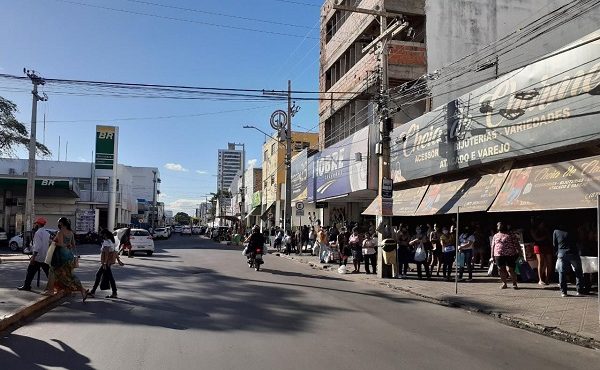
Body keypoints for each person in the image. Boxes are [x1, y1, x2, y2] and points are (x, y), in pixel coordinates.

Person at [51, 217, 88, 302]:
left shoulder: (60, 232)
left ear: (62, 223)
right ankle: (82, 290)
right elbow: (73, 244)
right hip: (69, 255)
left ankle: (82, 290)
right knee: (69, 275)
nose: (58, 223)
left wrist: (53, 242)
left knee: (61, 274)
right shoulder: (71, 233)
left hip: (61, 256)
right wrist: (69, 245)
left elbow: (60, 244)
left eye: (59, 222)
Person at [18, 217, 51, 291]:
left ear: (38, 224)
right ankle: (55, 285)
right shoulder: (47, 233)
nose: (35, 225)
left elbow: (38, 246)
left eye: (36, 223)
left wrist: (33, 257)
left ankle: (26, 286)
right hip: (45, 256)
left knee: (30, 271)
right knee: (48, 273)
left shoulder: (38, 233)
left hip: (38, 257)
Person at [88, 229, 122, 299]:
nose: (101, 236)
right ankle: (114, 292)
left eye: (102, 234)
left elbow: (106, 253)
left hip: (106, 262)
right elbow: (115, 252)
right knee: (109, 277)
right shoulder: (111, 241)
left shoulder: (106, 242)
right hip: (108, 262)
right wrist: (118, 260)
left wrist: (104, 263)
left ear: (105, 235)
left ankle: (93, 292)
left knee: (99, 275)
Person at [553, 224, 584, 297]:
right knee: (578, 271)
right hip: (573, 253)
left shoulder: (556, 231)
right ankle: (579, 291)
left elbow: (554, 244)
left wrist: (557, 253)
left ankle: (564, 292)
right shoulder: (573, 230)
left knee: (562, 273)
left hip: (561, 254)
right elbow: (578, 240)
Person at [491, 222, 521, 290]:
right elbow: (492, 246)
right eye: (498, 226)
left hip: (510, 255)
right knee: (501, 269)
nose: (498, 227)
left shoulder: (511, 234)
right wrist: (492, 256)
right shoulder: (495, 235)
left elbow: (517, 244)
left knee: (510, 270)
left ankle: (514, 284)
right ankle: (504, 283)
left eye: (500, 225)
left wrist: (520, 253)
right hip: (498, 255)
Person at [531, 219, 553, 286]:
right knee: (541, 262)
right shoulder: (534, 230)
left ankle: (547, 279)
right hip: (539, 246)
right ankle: (540, 279)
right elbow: (536, 239)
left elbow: (550, 238)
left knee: (549, 263)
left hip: (547, 245)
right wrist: (545, 237)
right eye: (541, 223)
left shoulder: (546, 229)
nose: (543, 224)